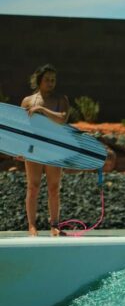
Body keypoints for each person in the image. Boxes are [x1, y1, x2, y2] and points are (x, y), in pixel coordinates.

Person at [20, 64, 70, 237]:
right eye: (47, 80)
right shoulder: (27, 101)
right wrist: (20, 148)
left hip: (53, 147)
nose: (50, 83)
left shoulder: (60, 99)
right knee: (33, 187)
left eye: (53, 80)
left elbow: (62, 118)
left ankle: (54, 225)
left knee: (54, 188)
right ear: (39, 80)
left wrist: (41, 109)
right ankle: (32, 226)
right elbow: (21, 127)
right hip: (33, 148)